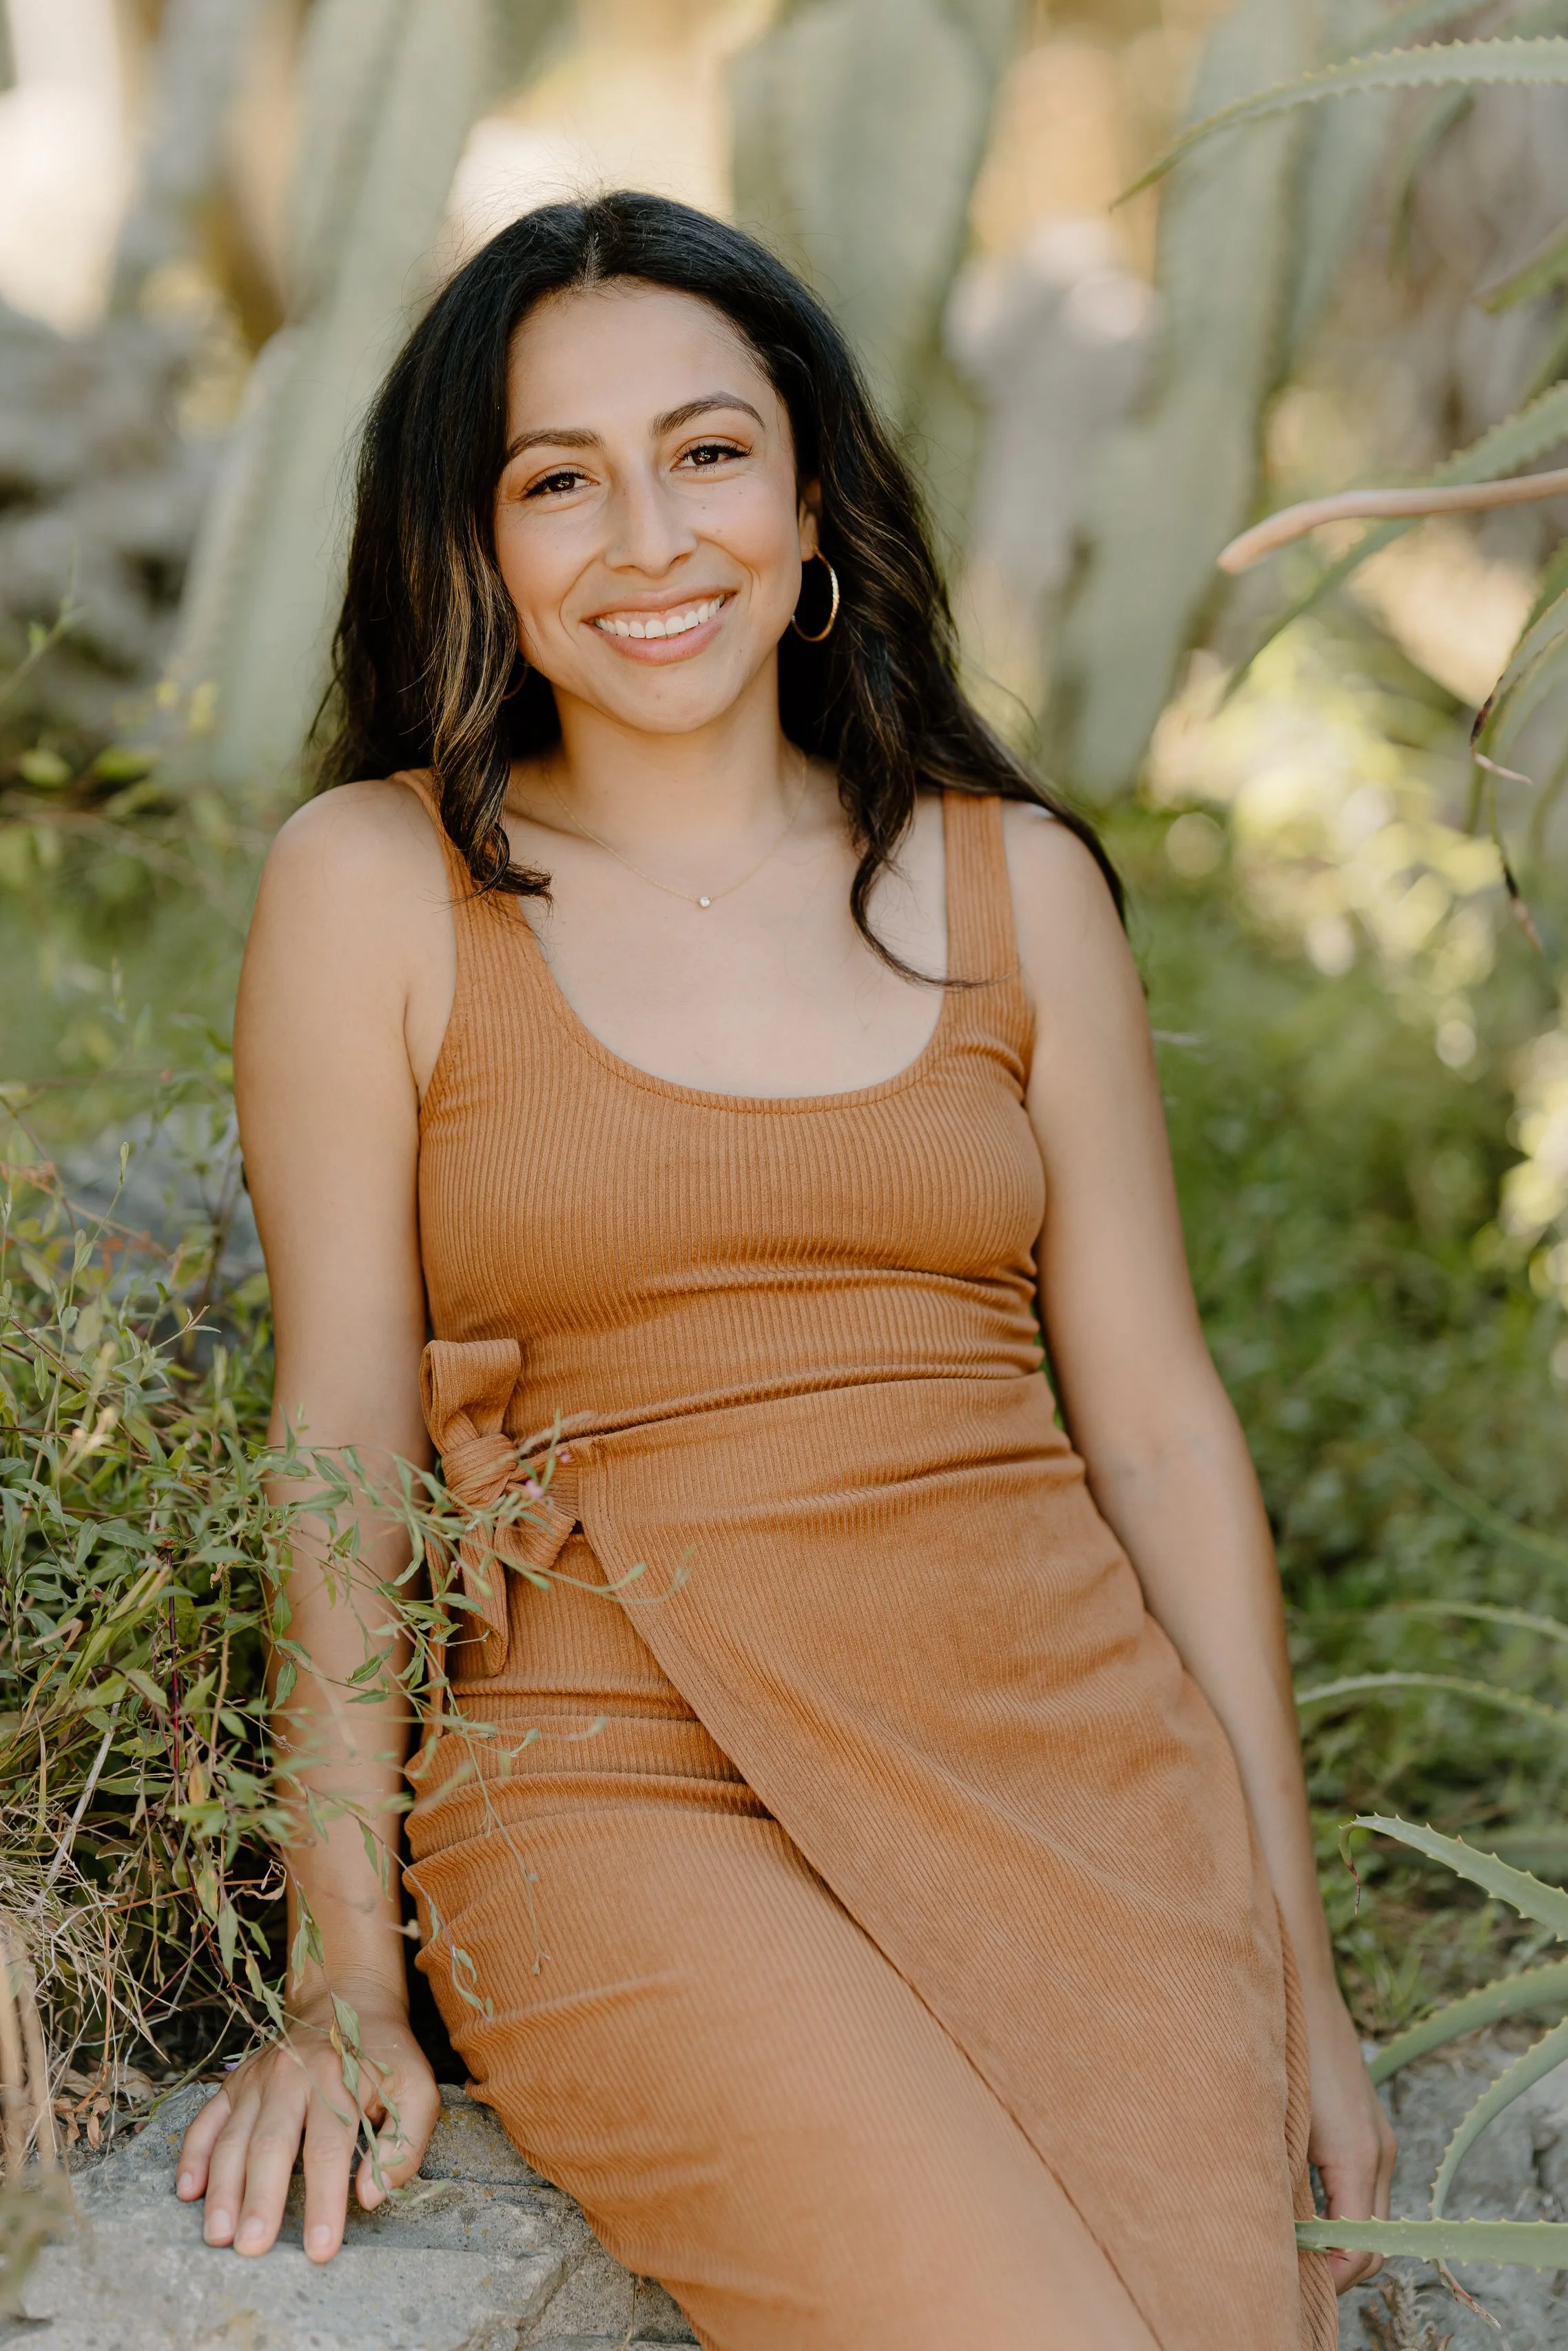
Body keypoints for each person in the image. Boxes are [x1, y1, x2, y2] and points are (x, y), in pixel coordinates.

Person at [176, 192, 1393, 2349]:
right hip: (612, 1768)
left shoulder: (1015, 884)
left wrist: (1297, 1970)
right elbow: (341, 1438)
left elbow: (1158, 1434)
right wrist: (340, 1973)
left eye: (708, 452)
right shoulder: (374, 884)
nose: (650, 536)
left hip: (1063, 1758)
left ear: (811, 498)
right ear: (475, 546)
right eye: (560, 480)